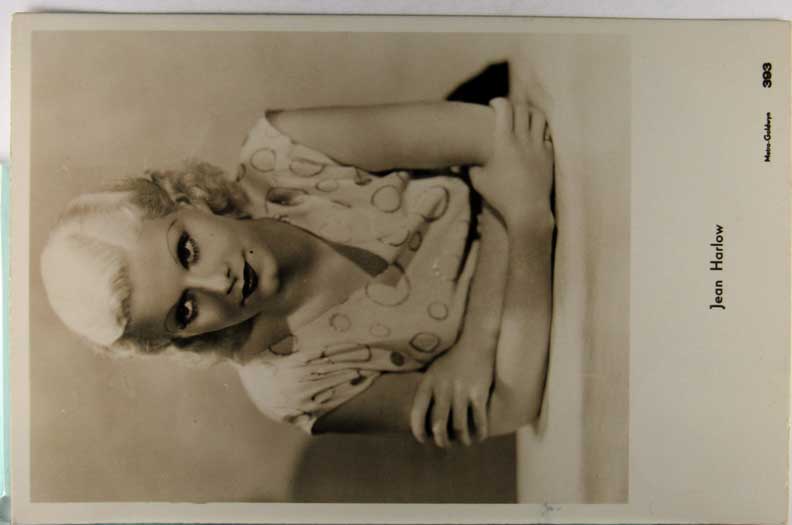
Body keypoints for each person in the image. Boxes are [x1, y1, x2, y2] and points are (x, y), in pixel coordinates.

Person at [41, 97, 555, 448]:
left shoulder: (286, 150)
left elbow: (504, 137)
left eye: (187, 249)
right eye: (185, 311)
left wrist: (476, 346)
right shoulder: (290, 386)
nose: (217, 284)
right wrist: (524, 218)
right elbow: (508, 407)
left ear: (185, 199)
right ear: (181, 340)